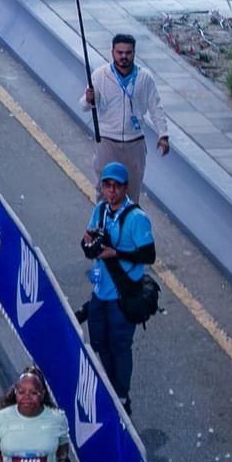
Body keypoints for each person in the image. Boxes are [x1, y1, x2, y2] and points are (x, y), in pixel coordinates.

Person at [79, 163, 156, 406]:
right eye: (107, 185)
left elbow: (149, 255)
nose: (111, 191)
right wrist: (88, 243)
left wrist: (116, 253)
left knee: (120, 347)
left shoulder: (137, 218)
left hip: (122, 297)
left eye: (116, 186)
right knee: (100, 343)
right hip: (100, 293)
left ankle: (121, 396)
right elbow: (88, 245)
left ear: (125, 188)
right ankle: (111, 387)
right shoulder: (100, 210)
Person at [83, 36, 170, 205]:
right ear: (112, 53)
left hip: (134, 143)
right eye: (120, 52)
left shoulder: (145, 78)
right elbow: (84, 106)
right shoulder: (100, 75)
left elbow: (156, 107)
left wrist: (163, 134)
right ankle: (102, 227)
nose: (124, 56)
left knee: (132, 192)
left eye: (128, 53)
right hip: (107, 142)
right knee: (105, 191)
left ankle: (128, 229)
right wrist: (88, 99)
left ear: (134, 53)